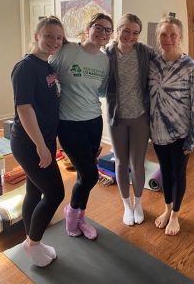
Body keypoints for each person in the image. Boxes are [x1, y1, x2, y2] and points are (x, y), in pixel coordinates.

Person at [50, 13, 113, 240]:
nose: (103, 33)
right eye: (99, 27)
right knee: (90, 175)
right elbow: (45, 71)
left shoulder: (104, 60)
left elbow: (102, 91)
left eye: (108, 30)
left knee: (85, 175)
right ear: (89, 28)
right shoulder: (68, 51)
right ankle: (71, 214)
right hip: (69, 124)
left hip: (94, 122)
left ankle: (80, 216)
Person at [10, 16, 65, 267]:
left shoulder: (47, 66)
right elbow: (24, 108)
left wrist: (52, 141)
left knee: (34, 189)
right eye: (48, 35)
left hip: (45, 139)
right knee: (55, 192)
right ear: (36, 36)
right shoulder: (26, 67)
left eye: (58, 37)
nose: (54, 41)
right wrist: (41, 145)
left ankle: (32, 240)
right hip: (29, 142)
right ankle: (32, 243)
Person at [149, 16, 194, 236]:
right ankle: (166, 208)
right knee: (165, 171)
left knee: (178, 172)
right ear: (158, 37)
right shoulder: (152, 63)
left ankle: (175, 215)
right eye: (164, 34)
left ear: (180, 37)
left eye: (173, 34)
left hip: (181, 132)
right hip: (157, 131)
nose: (168, 39)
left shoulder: (191, 68)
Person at [106, 14, 156, 226]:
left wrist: (192, 65)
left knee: (137, 163)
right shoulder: (107, 54)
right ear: (118, 30)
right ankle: (126, 205)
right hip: (117, 117)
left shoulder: (145, 52)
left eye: (135, 32)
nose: (130, 36)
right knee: (121, 162)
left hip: (140, 117)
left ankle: (138, 203)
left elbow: (168, 59)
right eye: (126, 31)